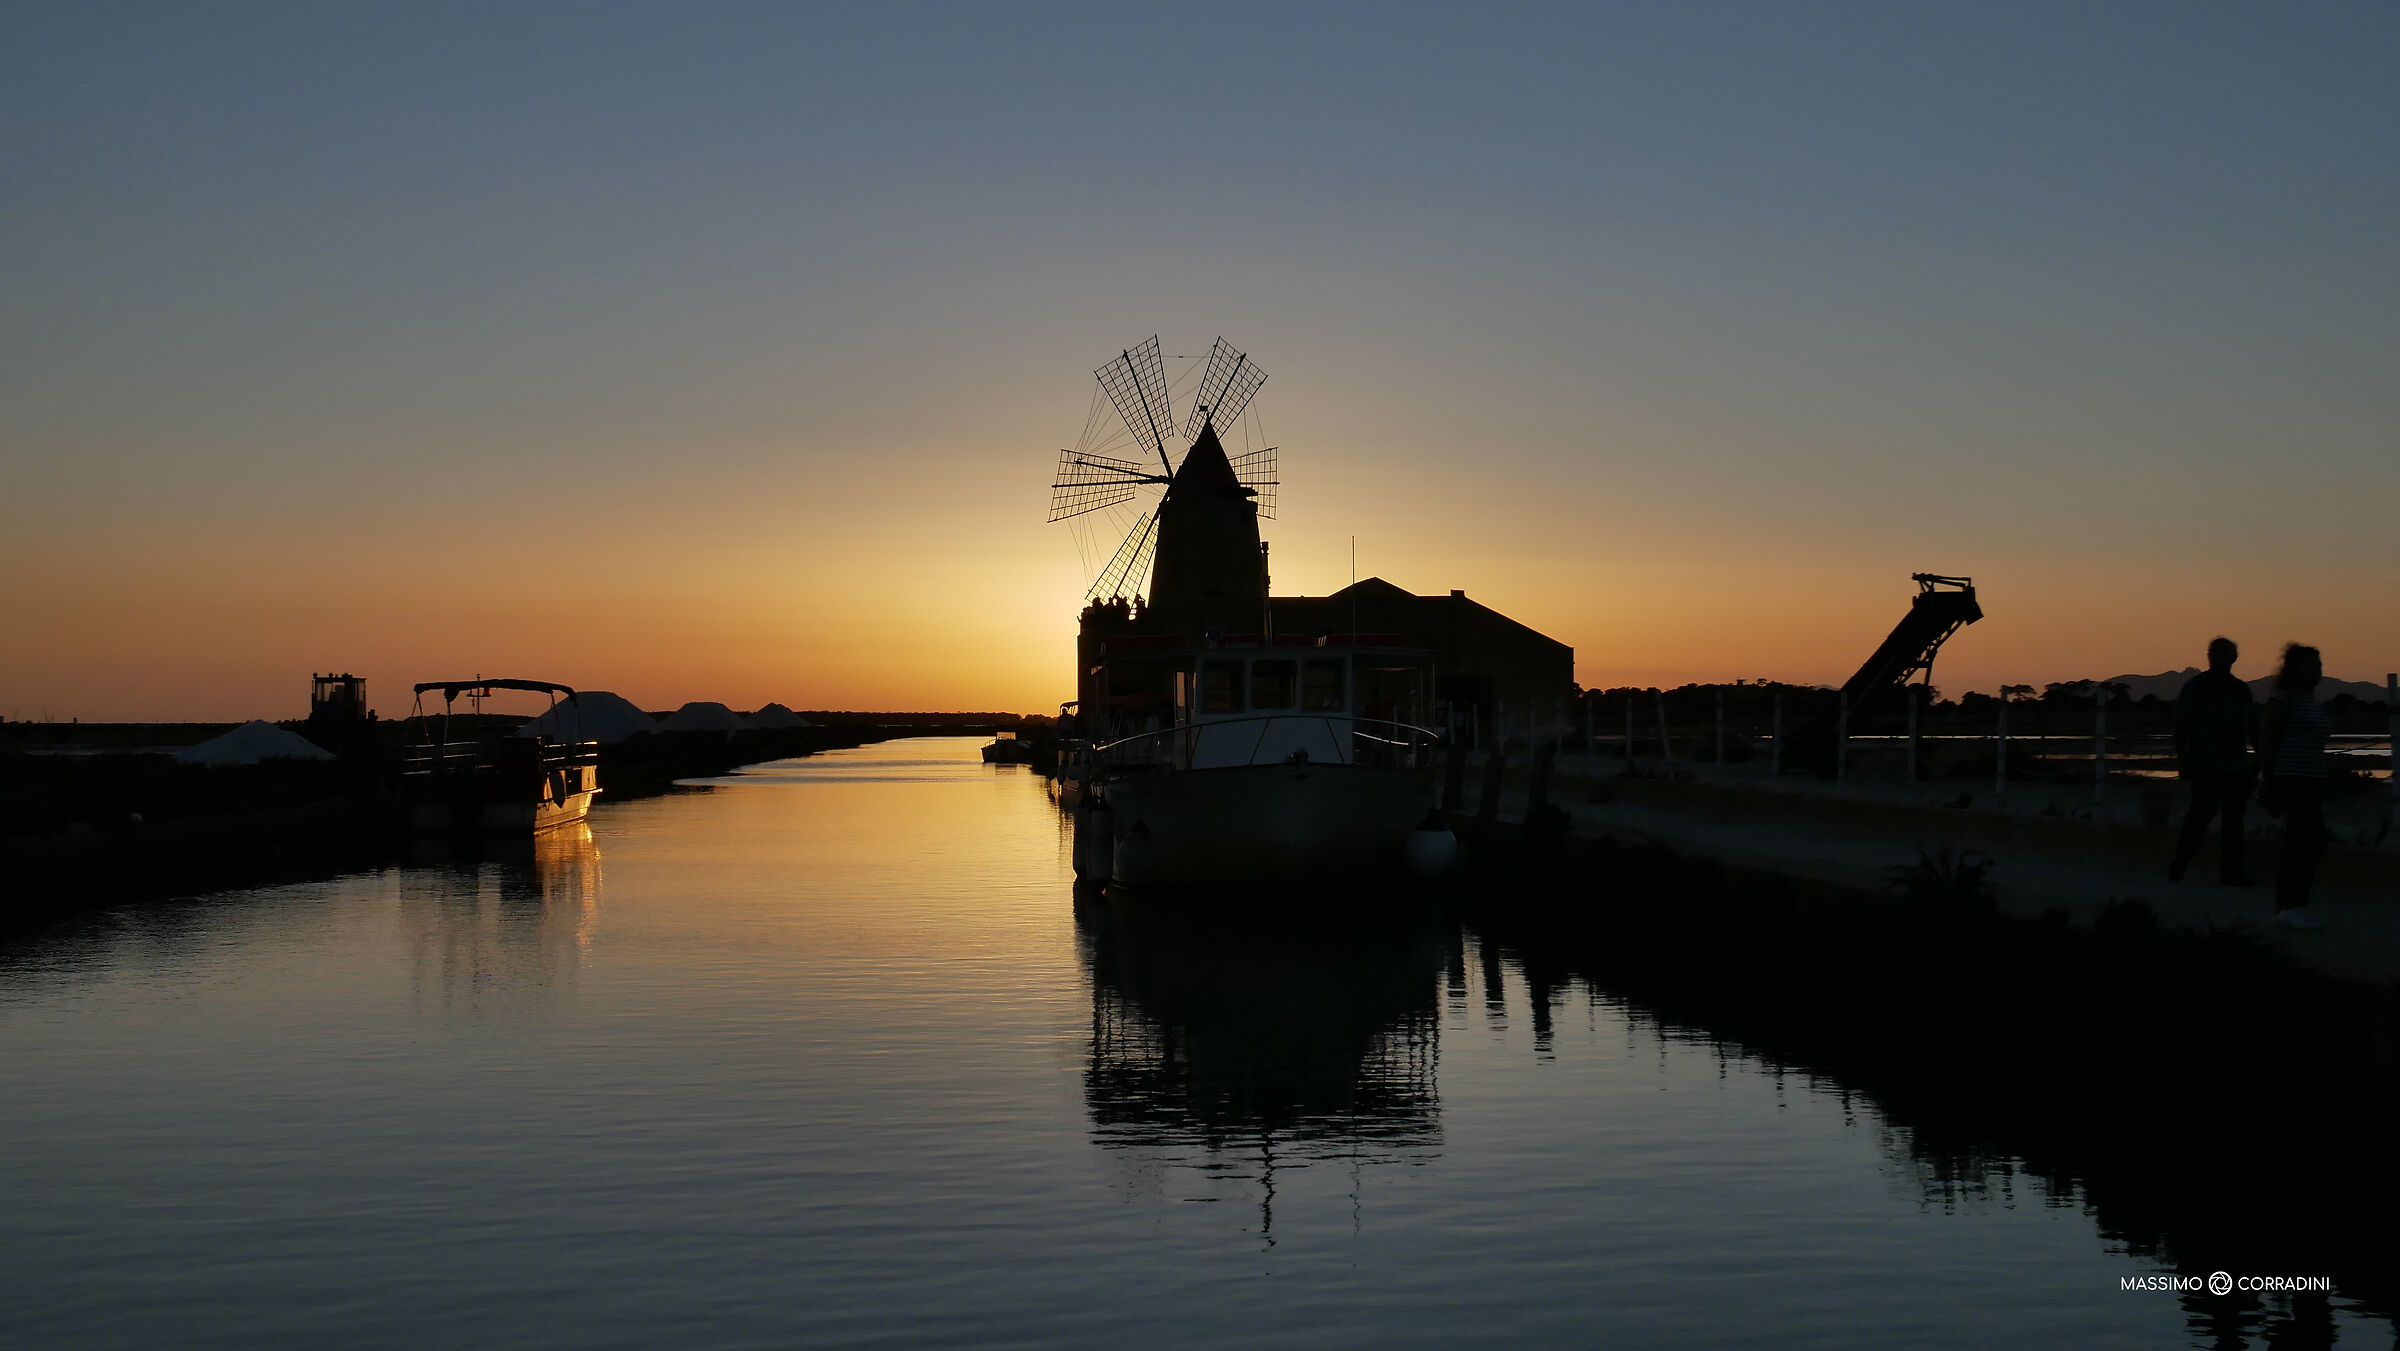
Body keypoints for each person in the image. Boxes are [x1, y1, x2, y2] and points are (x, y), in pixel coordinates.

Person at [2167, 637, 2256, 884]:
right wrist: (2182, 759)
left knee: (2233, 822)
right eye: (2214, 653)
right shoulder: (2196, 687)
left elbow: (2253, 726)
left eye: (2223, 653)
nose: (2217, 657)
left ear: (2233, 658)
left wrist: (2258, 763)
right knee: (2198, 818)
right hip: (2205, 765)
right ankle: (2179, 866)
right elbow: (2180, 725)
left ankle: (2231, 872)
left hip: (2235, 767)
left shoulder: (2240, 689)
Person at [2257, 643, 2332, 930]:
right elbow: (2267, 741)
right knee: (2307, 841)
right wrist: (2268, 780)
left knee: (2306, 842)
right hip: (2292, 779)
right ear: (2295, 669)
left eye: (2319, 664)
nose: (2318, 670)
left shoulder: (2310, 701)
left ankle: (2289, 905)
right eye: (2311, 665)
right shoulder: (2283, 700)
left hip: (2312, 779)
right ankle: (2291, 905)